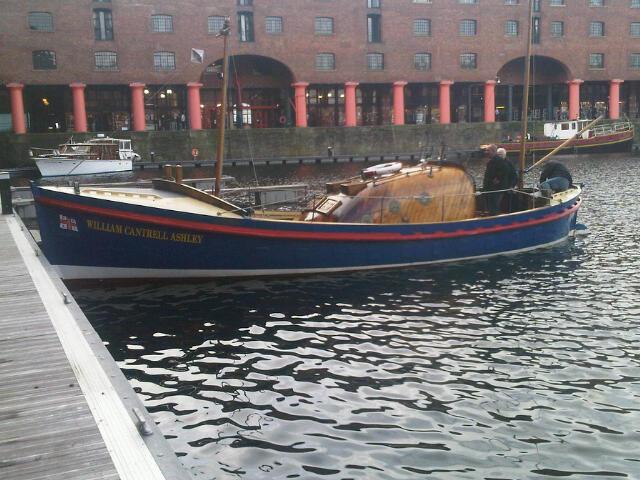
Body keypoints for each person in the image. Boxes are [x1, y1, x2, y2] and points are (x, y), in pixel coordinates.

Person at [482, 145, 516, 215]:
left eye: (488, 150)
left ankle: (493, 221)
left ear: (494, 151)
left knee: (494, 207)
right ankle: (491, 217)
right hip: (489, 188)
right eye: (486, 150)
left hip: (496, 189)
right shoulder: (491, 161)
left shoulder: (500, 161)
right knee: (490, 206)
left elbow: (507, 170)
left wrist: (498, 179)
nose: (486, 152)